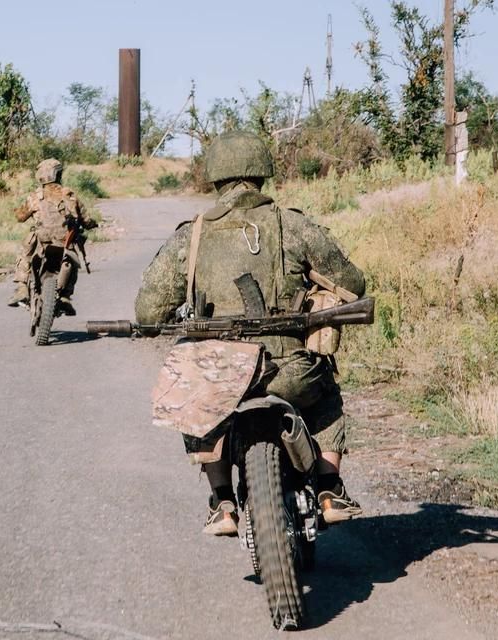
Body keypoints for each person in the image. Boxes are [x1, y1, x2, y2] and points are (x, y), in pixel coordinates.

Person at [134, 131, 365, 536]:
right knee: (324, 395)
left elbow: (148, 311)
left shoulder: (192, 236)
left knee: (196, 401)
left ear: (215, 176)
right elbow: (352, 283)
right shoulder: (292, 225)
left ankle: (222, 501)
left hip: (218, 375)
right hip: (288, 370)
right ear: (262, 173)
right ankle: (329, 489)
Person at [8, 158, 97, 308]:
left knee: (25, 254)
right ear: (58, 174)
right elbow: (86, 220)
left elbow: (20, 217)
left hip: (42, 240)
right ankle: (66, 296)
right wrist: (92, 224)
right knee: (73, 262)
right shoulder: (69, 195)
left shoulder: (35, 196)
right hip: (64, 241)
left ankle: (22, 287)